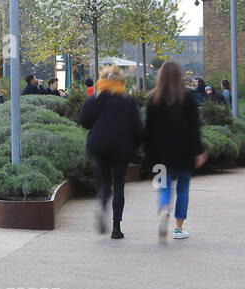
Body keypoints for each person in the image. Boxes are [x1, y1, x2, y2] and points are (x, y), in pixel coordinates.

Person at [78, 65, 144, 240]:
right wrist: (136, 147)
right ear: (121, 83)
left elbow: (84, 122)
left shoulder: (94, 100)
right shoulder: (128, 102)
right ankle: (116, 228)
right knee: (119, 185)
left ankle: (101, 205)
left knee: (105, 183)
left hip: (99, 146)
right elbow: (138, 129)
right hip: (122, 148)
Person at [145, 60, 207, 241]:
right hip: (184, 152)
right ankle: (179, 229)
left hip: (160, 154)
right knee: (183, 189)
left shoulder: (152, 99)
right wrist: (200, 150)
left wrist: (148, 152)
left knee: (163, 187)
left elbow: (148, 130)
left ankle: (164, 209)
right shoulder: (188, 98)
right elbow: (195, 128)